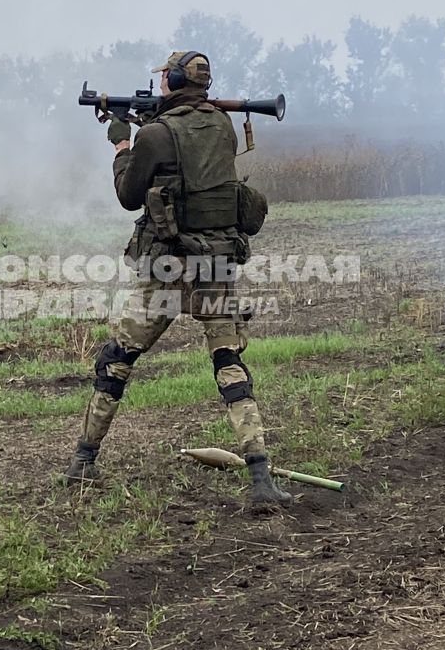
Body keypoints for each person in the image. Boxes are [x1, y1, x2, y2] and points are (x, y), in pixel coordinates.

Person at [64, 50, 292, 505]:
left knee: (118, 359)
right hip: (216, 266)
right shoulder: (223, 127)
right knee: (229, 364)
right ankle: (261, 478)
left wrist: (121, 145)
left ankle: (83, 462)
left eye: (164, 80)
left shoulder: (154, 134)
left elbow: (129, 197)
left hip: (166, 269)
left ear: (169, 80)